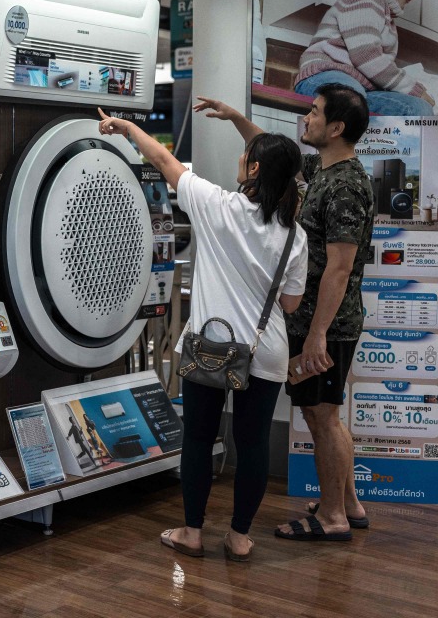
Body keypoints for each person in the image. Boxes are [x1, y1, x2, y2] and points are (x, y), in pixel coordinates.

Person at [97, 108, 307, 561]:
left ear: (253, 168)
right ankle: (240, 537)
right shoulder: (295, 234)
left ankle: (192, 532)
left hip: (208, 347)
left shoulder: (216, 205)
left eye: (245, 154)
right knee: (252, 445)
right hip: (264, 351)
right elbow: (290, 304)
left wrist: (128, 127)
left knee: (197, 438)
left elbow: (163, 161)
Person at [196, 87, 374, 542]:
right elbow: (275, 156)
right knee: (324, 413)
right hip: (309, 320)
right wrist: (235, 115)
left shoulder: (348, 185)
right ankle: (348, 502)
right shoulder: (320, 168)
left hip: (325, 325)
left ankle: (332, 515)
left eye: (315, 113)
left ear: (336, 128)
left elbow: (339, 268)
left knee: (322, 416)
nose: (306, 118)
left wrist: (317, 336)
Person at [293, 0, 437, 116]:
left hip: (359, 91)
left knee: (418, 110)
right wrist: (413, 88)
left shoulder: (385, 14)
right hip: (325, 77)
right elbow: (366, 54)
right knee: (348, 98)